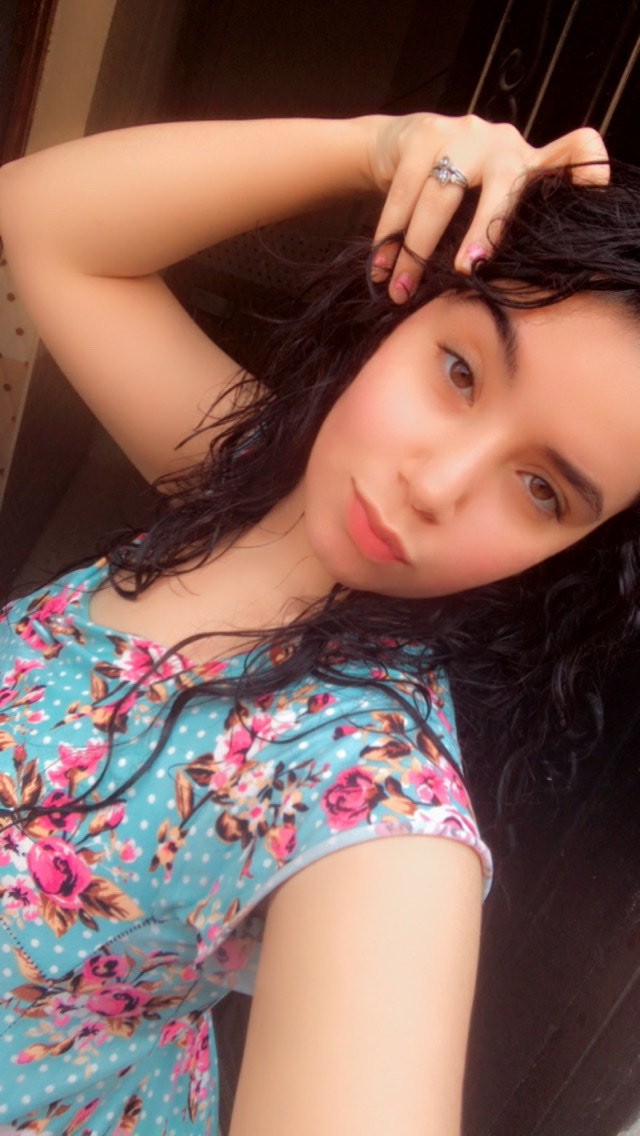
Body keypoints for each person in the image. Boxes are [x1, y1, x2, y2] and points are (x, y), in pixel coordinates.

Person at [0, 112, 637, 1136]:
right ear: (407, 303)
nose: (434, 484)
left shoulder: (370, 790)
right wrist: (383, 148)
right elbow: (42, 218)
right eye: (461, 372)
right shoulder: (254, 489)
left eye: (540, 490)